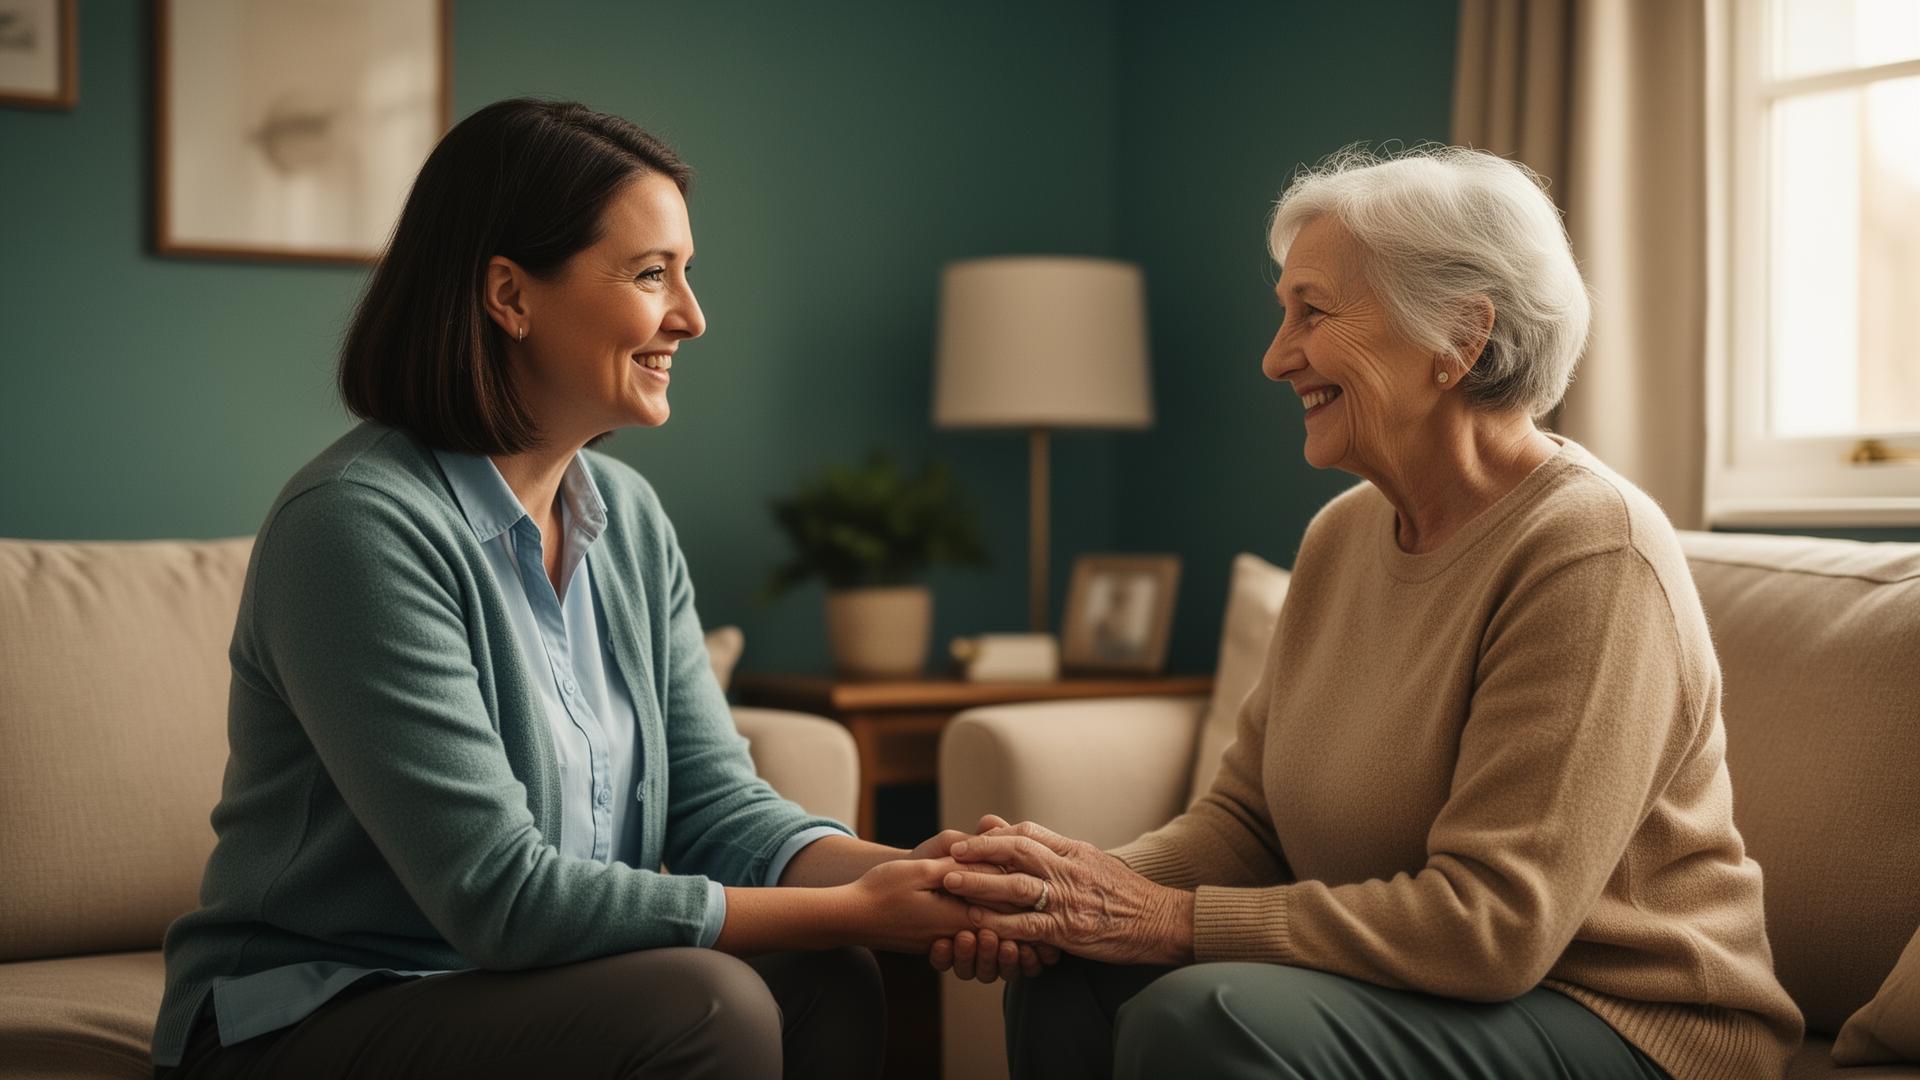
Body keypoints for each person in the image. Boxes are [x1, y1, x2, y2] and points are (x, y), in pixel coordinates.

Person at [151, 99, 1048, 1080]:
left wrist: (939, 877)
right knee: (715, 1002)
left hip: (505, 990)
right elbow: (502, 896)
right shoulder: (356, 526)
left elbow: (716, 813)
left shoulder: (626, 517)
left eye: (687, 274)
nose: (692, 317)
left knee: (824, 973)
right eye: (652, 274)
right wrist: (862, 911)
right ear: (510, 295)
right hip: (310, 1014)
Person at [933, 146, 1806, 1080]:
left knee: (1207, 1015)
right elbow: (1247, 823)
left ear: (1460, 339)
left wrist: (1162, 922)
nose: (1275, 358)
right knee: (1069, 976)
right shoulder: (1343, 536)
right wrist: (1063, 889)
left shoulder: (1590, 550)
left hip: (1625, 1018)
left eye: (1313, 311)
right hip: (1438, 994)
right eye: (1283, 314)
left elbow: (1492, 928)